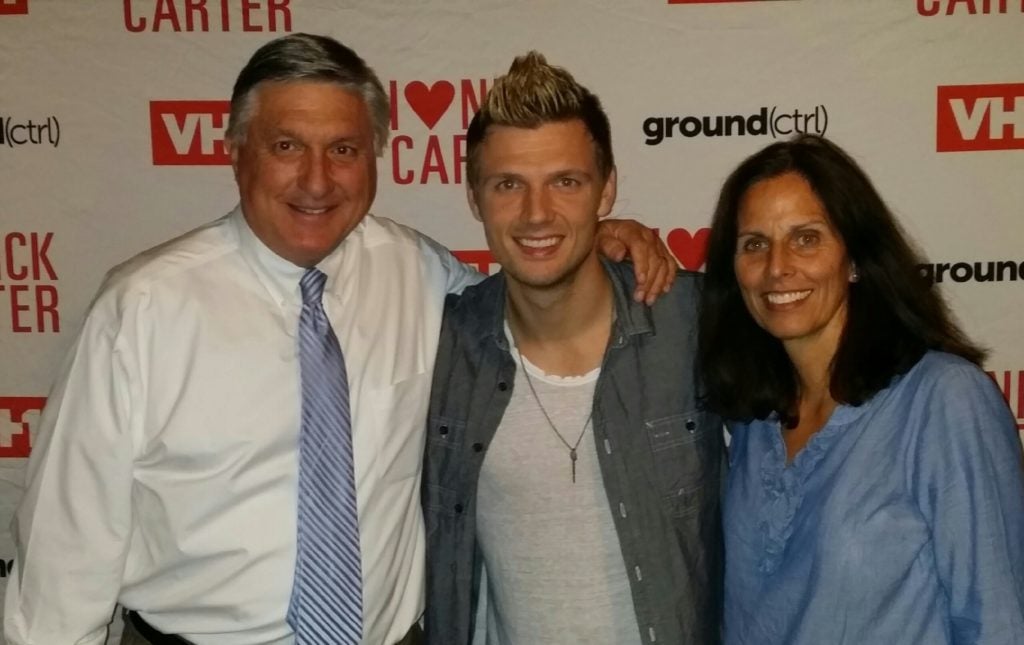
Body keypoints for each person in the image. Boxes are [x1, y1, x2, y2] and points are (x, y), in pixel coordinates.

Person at [3, 34, 676, 645]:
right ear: (236, 152)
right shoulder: (141, 310)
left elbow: (535, 285)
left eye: (344, 150)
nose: (318, 180)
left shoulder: (420, 274)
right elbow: (63, 560)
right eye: (288, 145)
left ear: (376, 156)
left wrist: (608, 245)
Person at [423, 52, 724, 645]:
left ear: (606, 190)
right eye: (509, 184)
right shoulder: (440, 343)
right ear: (473, 198)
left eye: (566, 181)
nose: (538, 213)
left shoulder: (693, 323)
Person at [697, 133, 1024, 644]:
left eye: (806, 237)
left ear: (854, 260)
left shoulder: (944, 400)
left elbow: (999, 622)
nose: (778, 266)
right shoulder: (752, 420)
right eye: (754, 243)